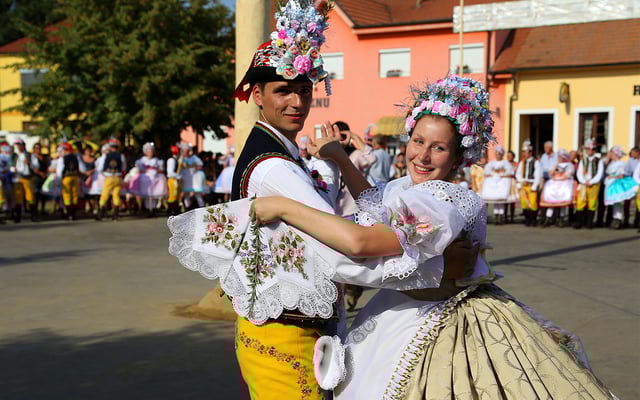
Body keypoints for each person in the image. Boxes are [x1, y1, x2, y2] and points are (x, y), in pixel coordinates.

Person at [252, 75, 616, 399]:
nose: (423, 156)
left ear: (458, 158)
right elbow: (376, 202)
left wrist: (284, 207)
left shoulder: (446, 201)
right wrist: (340, 157)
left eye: (438, 148)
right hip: (397, 308)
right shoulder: (409, 187)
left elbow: (362, 243)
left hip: (441, 318)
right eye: (418, 141)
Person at [603, 145, 639, 229]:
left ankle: (618, 219)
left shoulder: (621, 163)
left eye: (612, 153)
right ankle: (615, 218)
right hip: (611, 184)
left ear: (616, 154)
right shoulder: (612, 163)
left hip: (616, 185)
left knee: (617, 202)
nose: (611, 155)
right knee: (615, 203)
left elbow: (621, 175)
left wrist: (612, 177)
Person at [540, 149, 575, 227]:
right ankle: (548, 218)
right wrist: (554, 169)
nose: (559, 158)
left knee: (562, 203)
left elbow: (568, 174)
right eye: (559, 157)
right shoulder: (555, 165)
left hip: (564, 184)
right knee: (551, 202)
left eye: (561, 157)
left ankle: (561, 219)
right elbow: (550, 174)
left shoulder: (569, 165)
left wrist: (560, 176)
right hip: (554, 184)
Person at [574, 139, 604, 229]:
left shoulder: (599, 161)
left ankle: (589, 222)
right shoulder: (583, 161)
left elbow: (599, 173)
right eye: (586, 149)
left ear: (594, 150)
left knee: (592, 202)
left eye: (589, 149)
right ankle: (579, 222)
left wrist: (591, 182)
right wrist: (583, 181)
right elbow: (579, 173)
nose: (587, 151)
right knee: (580, 202)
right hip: (584, 184)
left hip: (594, 184)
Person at [480, 145, 513, 225]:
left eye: (499, 154)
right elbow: (486, 172)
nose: (498, 155)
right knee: (495, 201)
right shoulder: (492, 163)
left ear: (502, 154)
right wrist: (494, 173)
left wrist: (501, 174)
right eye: (496, 154)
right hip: (493, 184)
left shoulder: (506, 163)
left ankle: (500, 217)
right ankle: (496, 217)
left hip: (502, 183)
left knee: (500, 202)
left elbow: (510, 172)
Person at [134, 142, 167, 217]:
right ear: (145, 152)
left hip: (155, 179)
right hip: (145, 179)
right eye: (149, 151)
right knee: (147, 195)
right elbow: (139, 170)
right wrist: (147, 170)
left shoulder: (157, 160)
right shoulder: (142, 160)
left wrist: (155, 171)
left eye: (151, 151)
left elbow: (161, 170)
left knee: (154, 195)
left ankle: (154, 209)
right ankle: (148, 209)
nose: (150, 153)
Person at [97, 139, 126, 221]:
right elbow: (123, 167)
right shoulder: (121, 155)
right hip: (118, 177)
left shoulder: (106, 155)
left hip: (109, 177)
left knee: (105, 194)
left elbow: (100, 168)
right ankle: (115, 215)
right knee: (116, 195)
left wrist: (105, 173)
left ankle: (100, 213)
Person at [11, 137, 38, 222]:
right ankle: (18, 217)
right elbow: (10, 165)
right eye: (17, 145)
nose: (18, 146)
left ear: (23, 145)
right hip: (17, 178)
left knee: (30, 197)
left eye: (19, 145)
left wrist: (30, 163)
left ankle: (33, 216)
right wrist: (13, 169)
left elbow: (36, 165)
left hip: (27, 178)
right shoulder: (14, 155)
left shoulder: (29, 155)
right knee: (18, 197)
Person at [56, 142, 84, 220]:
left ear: (65, 150)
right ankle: (73, 214)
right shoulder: (76, 157)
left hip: (66, 178)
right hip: (75, 177)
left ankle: (69, 214)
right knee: (74, 195)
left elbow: (59, 170)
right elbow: (81, 168)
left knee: (67, 195)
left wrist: (58, 181)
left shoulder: (63, 158)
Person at [516, 140, 542, 226]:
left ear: (530, 152)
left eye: (526, 152)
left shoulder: (536, 162)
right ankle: (527, 219)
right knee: (524, 203)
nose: (524, 154)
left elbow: (538, 175)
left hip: (531, 185)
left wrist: (535, 186)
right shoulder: (522, 162)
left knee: (533, 203)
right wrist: (520, 182)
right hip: (523, 185)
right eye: (523, 152)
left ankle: (533, 219)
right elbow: (518, 174)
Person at [178, 143, 205, 210]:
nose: (185, 153)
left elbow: (200, 165)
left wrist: (194, 167)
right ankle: (188, 208)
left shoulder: (194, 158)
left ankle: (202, 208)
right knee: (186, 194)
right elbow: (179, 167)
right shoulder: (181, 159)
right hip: (186, 177)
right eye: (184, 151)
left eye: (186, 151)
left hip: (194, 178)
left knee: (197, 193)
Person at [166, 145, 182, 216]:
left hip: (175, 179)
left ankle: (175, 210)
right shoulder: (171, 160)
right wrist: (178, 176)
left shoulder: (176, 160)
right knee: (173, 195)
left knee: (176, 196)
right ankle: (170, 211)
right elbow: (170, 172)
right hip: (172, 180)